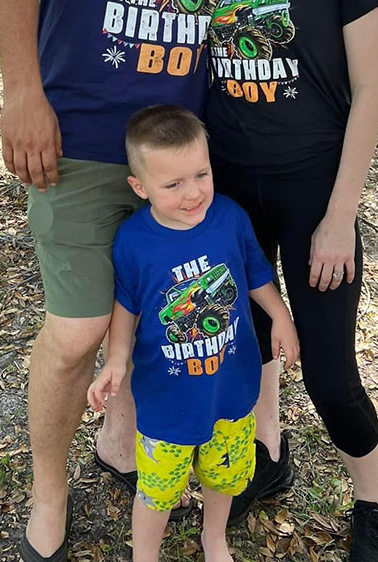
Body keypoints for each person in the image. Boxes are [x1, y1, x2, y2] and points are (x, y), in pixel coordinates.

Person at [0, 0, 378, 561]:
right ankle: (48, 490)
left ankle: (169, 440)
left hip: (194, 155)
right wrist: (21, 92)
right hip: (85, 142)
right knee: (75, 332)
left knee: (186, 308)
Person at [204, 0, 378, 561]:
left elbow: (371, 95)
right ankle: (268, 457)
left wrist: (340, 215)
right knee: (246, 349)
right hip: (230, 193)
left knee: (330, 374)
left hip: (317, 194)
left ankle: (370, 503)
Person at [86, 104, 299, 562]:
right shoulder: (134, 240)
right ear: (140, 188)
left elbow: (257, 273)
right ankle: (145, 553)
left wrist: (280, 316)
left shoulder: (230, 218)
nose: (193, 194)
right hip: (166, 403)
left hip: (231, 392)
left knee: (224, 478)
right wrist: (116, 361)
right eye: (173, 184)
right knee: (158, 491)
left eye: (201, 175)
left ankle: (213, 538)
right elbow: (125, 308)